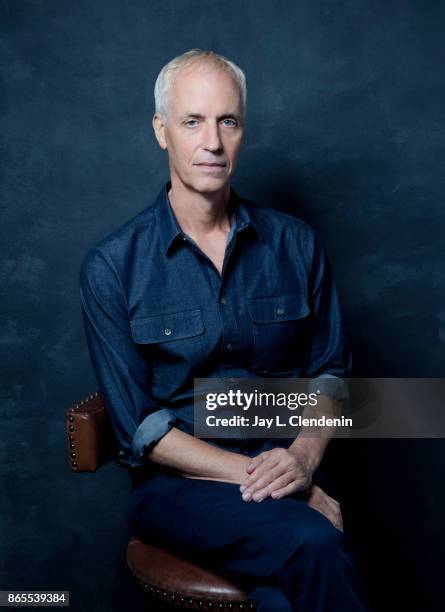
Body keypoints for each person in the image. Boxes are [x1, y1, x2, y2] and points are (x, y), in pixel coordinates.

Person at [79, 49, 371, 611]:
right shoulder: (113, 265)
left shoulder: (298, 244)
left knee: (284, 598)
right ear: (162, 132)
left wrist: (304, 460)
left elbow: (332, 372)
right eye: (193, 121)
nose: (212, 142)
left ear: (242, 132)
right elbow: (139, 428)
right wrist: (288, 487)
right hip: (178, 490)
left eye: (227, 121)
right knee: (311, 541)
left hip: (281, 463)